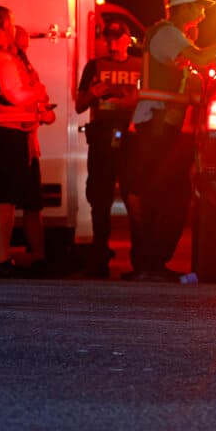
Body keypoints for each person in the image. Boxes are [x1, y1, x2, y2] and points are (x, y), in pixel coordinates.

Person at [122, 0, 216, 282]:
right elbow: (200, 60)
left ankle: (149, 264)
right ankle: (149, 264)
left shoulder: (175, 37)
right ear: (184, 8)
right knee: (163, 195)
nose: (203, 11)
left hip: (161, 126)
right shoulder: (168, 34)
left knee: (165, 194)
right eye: (199, 5)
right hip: (155, 126)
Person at [0, 6, 52, 278]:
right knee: (3, 200)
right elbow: (14, 95)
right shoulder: (1, 57)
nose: (14, 28)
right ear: (4, 23)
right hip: (6, 135)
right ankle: (0, 260)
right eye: (12, 22)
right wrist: (37, 92)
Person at [75, 20, 141, 278]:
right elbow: (80, 105)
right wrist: (93, 93)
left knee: (135, 196)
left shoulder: (140, 66)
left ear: (128, 39)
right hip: (102, 139)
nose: (112, 43)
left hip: (132, 139)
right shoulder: (95, 66)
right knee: (99, 199)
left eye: (117, 38)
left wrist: (131, 101)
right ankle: (99, 256)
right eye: (108, 38)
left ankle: (140, 262)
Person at [13, 25, 56, 274]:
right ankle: (37, 258)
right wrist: (42, 111)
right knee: (16, 205)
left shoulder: (24, 68)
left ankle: (35, 256)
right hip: (19, 142)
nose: (24, 51)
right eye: (21, 46)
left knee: (20, 204)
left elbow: (39, 101)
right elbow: (26, 100)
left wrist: (44, 111)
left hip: (27, 143)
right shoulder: (14, 68)